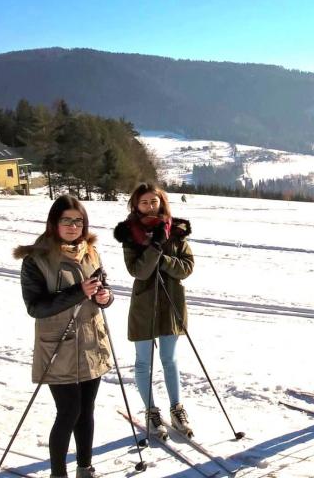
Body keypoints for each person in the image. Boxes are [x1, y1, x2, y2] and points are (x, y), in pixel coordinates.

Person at [14, 195, 113, 478]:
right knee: (69, 412)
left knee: (87, 410)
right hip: (58, 346)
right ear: (53, 223)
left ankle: (85, 469)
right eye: (66, 220)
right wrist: (78, 292)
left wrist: (105, 297)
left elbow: (101, 291)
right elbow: (36, 307)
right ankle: (58, 474)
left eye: (78, 221)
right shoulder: (36, 260)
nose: (73, 226)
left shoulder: (90, 252)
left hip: (92, 341)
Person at [113, 183, 195, 439]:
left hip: (171, 302)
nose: (150, 206)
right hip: (144, 304)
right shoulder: (129, 233)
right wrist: (155, 248)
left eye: (154, 201)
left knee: (169, 359)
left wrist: (164, 257)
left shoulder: (177, 230)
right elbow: (138, 271)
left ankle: (176, 408)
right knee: (144, 362)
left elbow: (187, 267)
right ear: (136, 206)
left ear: (162, 202)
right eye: (145, 202)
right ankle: (151, 410)